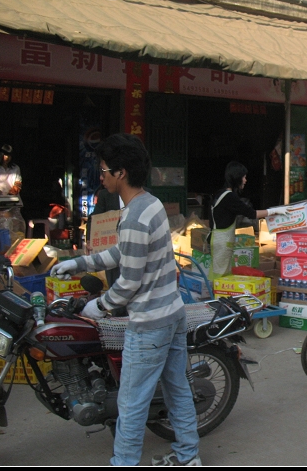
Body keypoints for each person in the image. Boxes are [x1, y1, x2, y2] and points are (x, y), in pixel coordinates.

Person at [49, 133, 201, 466]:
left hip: (149, 325)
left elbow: (129, 281)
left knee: (131, 405)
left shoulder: (133, 217)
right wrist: (80, 263)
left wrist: (99, 306)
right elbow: (124, 252)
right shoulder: (150, 203)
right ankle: (189, 456)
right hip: (173, 313)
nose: (101, 176)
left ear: (121, 173)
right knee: (177, 390)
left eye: (104, 170)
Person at [209, 161, 288, 279]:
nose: (245, 180)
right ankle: (216, 290)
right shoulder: (229, 197)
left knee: (220, 272)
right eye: (244, 177)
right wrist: (273, 211)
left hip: (218, 239)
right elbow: (252, 213)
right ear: (236, 177)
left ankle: (216, 289)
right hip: (222, 241)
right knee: (220, 275)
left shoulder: (221, 193)